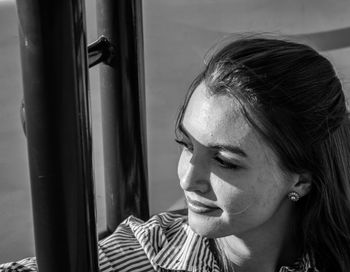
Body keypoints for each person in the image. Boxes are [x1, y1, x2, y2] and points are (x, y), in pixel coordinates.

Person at [1, 36, 350, 272]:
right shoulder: (150, 252)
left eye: (224, 161)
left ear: (301, 179)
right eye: (187, 146)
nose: (188, 179)